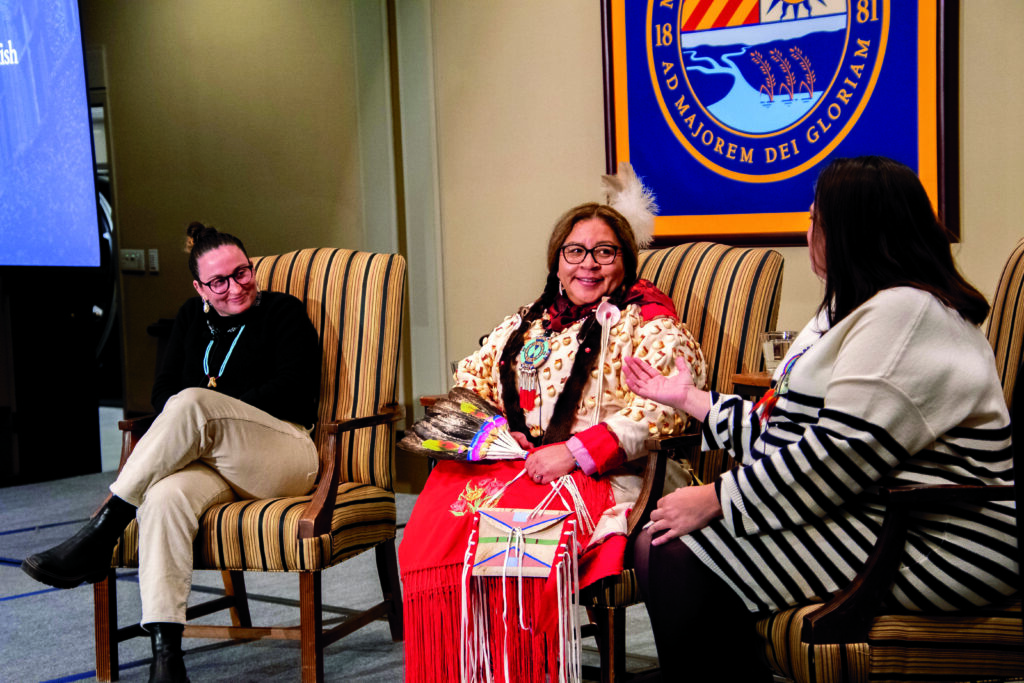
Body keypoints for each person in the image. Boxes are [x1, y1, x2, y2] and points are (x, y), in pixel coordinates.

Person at [622, 156, 1019, 681]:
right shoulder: (874, 310)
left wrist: (716, 497)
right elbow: (789, 436)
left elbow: (835, 455)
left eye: (816, 219)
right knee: (669, 544)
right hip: (883, 515)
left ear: (851, 231)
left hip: (940, 539)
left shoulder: (905, 313)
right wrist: (691, 398)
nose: (807, 230)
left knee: (677, 552)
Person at [399, 166, 707, 683]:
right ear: (557, 261)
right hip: (518, 465)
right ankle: (473, 670)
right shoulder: (528, 322)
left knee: (511, 541)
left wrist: (575, 452)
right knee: (442, 530)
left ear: (625, 261)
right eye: (575, 251)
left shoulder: (648, 323)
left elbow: (667, 408)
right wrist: (498, 429)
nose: (588, 265)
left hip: (610, 477)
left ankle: (527, 670)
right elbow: (470, 378)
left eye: (604, 252)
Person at [22, 223, 321, 683]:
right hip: (210, 462)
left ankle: (102, 531)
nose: (235, 287)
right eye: (219, 281)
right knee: (163, 499)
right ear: (199, 287)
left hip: (285, 455)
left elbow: (293, 392)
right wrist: (201, 410)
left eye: (242, 272)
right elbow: (162, 394)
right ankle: (167, 660)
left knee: (193, 402)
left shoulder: (282, 312)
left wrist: (213, 405)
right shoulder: (188, 318)